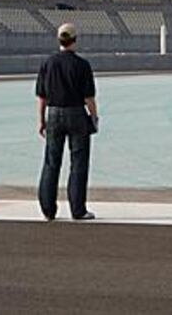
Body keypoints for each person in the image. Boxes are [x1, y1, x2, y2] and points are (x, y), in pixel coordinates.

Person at [35, 22, 99, 221]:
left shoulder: (48, 63)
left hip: (54, 114)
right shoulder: (82, 65)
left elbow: (41, 96)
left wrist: (41, 120)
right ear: (75, 40)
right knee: (78, 163)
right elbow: (89, 97)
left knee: (51, 162)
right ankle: (78, 209)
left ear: (59, 40)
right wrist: (94, 117)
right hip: (76, 114)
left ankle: (48, 209)